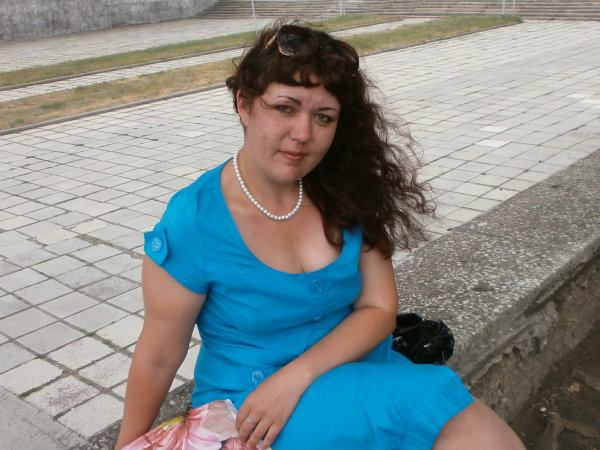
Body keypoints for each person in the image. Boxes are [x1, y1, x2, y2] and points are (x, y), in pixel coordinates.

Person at [115, 22, 525, 450]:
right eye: (284, 108)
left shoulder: (344, 190)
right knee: (454, 415)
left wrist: (295, 377)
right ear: (244, 104)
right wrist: (128, 445)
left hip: (358, 374)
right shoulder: (195, 220)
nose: (303, 134)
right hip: (253, 410)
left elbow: (379, 308)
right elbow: (159, 355)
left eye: (323, 117)